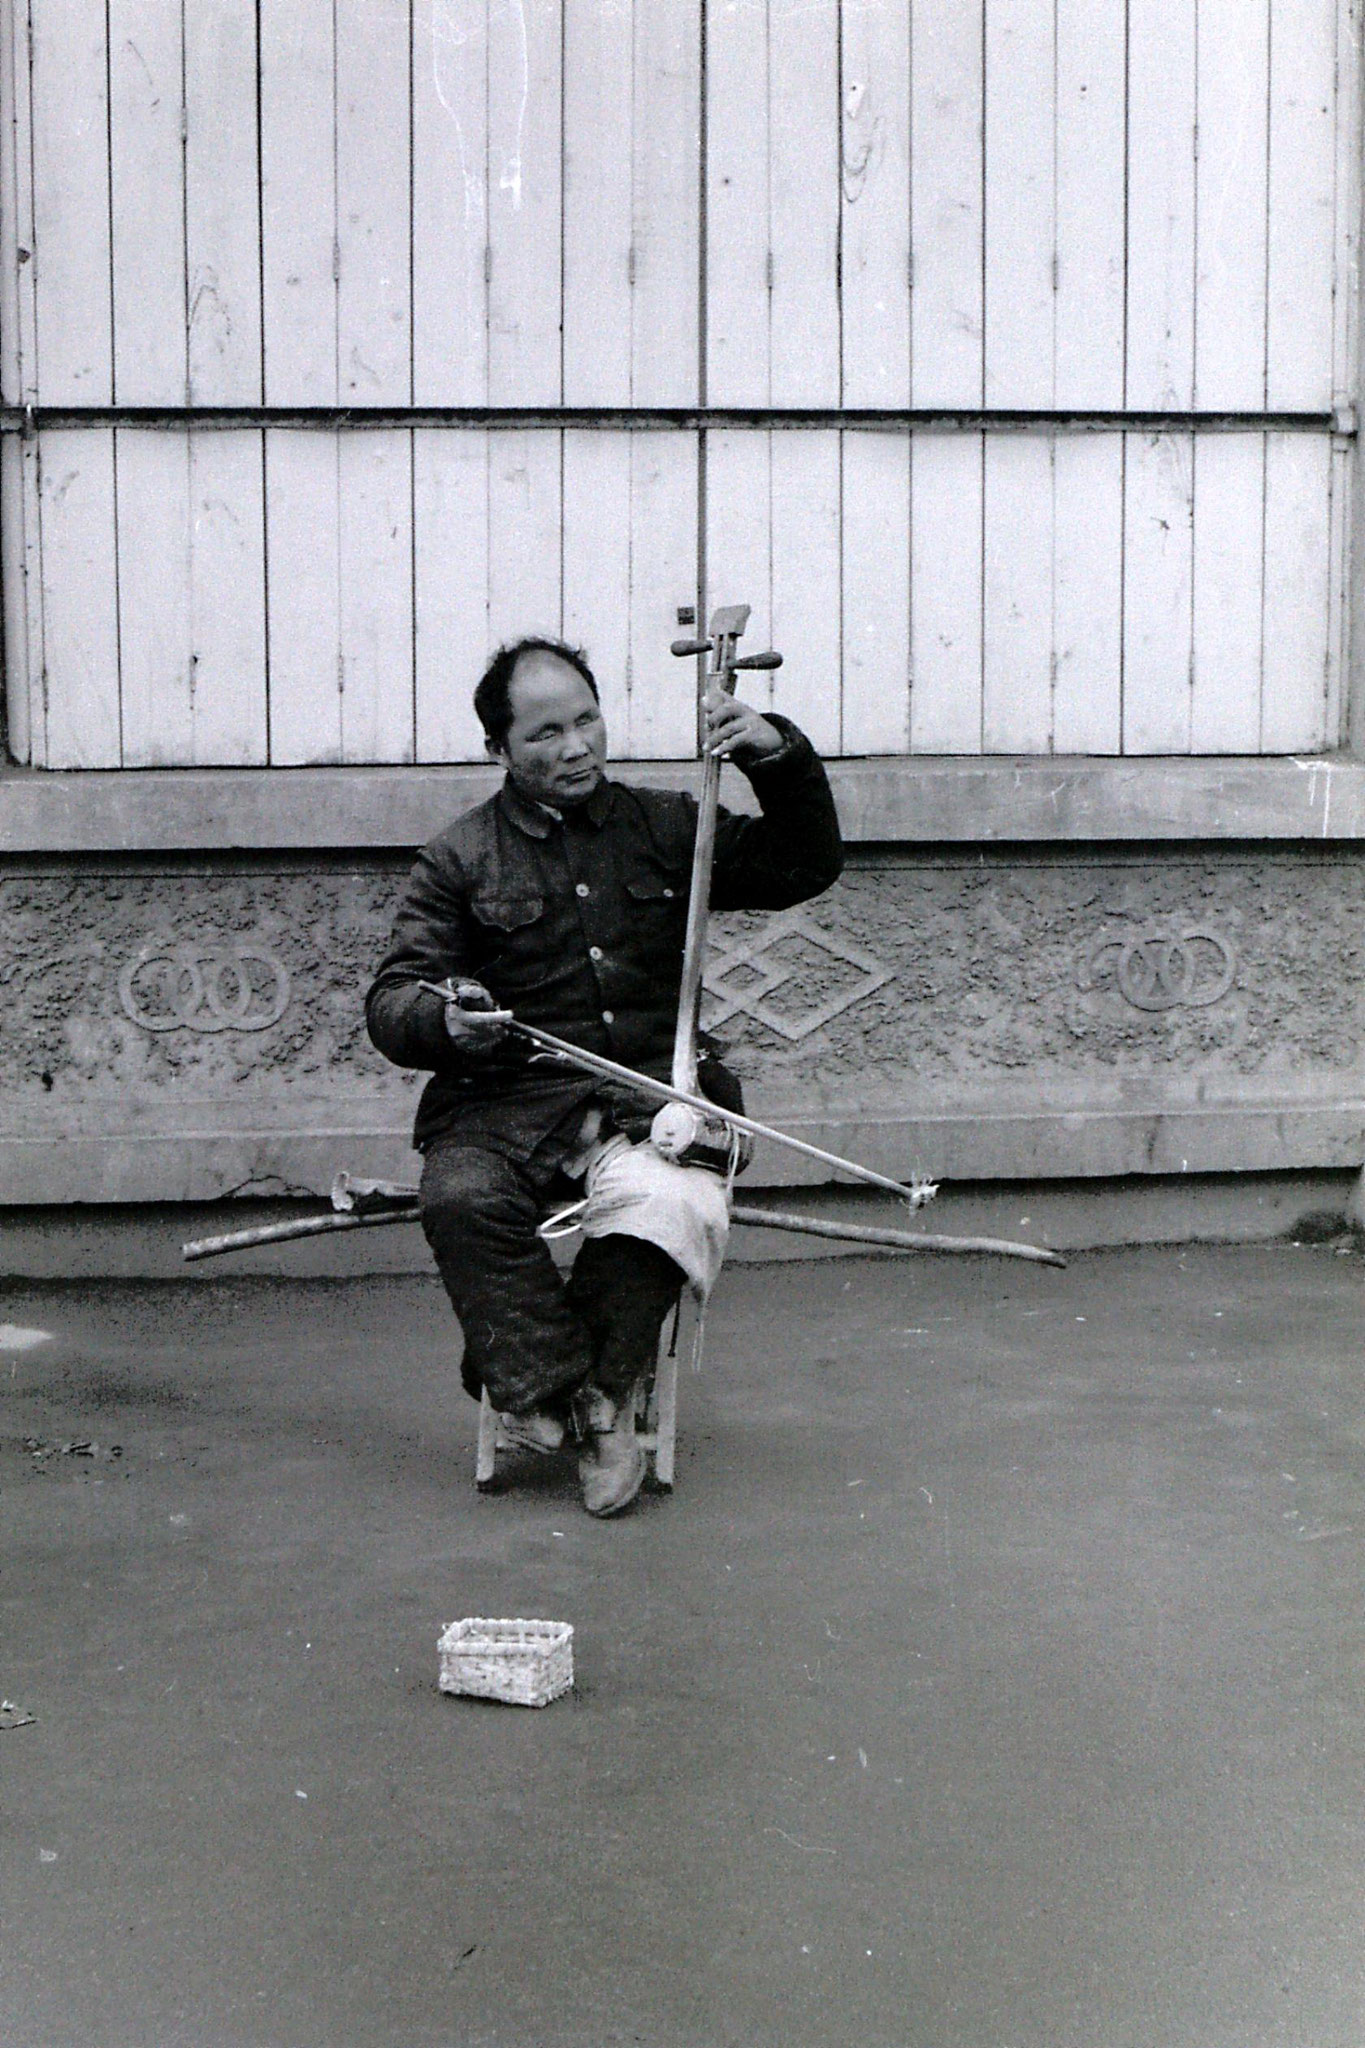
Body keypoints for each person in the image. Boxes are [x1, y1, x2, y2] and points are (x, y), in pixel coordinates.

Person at [365, 635, 843, 1516]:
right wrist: (447, 1021)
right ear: (498, 749)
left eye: (587, 719)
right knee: (461, 1199)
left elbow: (802, 865)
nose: (576, 746)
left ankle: (583, 1397)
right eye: (545, 733)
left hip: (651, 1095)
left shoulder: (666, 826)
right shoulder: (459, 857)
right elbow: (394, 1000)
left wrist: (773, 754)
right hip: (504, 1103)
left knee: (670, 1203)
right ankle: (557, 1391)